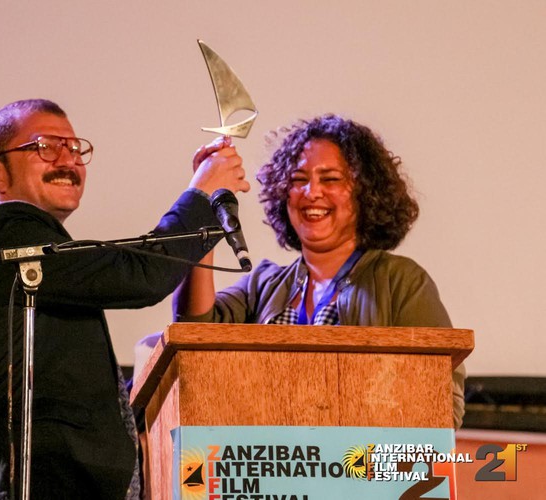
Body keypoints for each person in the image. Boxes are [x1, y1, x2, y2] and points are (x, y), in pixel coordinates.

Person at [0, 99, 248, 499]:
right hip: (20, 486)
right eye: (45, 147)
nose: (67, 160)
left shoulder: (43, 244)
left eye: (75, 148)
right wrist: (199, 194)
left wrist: (204, 205)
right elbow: (141, 276)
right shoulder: (2, 231)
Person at [173, 114, 466, 429]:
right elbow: (194, 330)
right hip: (273, 469)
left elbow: (440, 406)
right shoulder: (262, 286)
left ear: (364, 192)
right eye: (299, 179)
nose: (311, 192)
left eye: (330, 179)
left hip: (362, 470)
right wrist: (203, 202)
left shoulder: (402, 282)